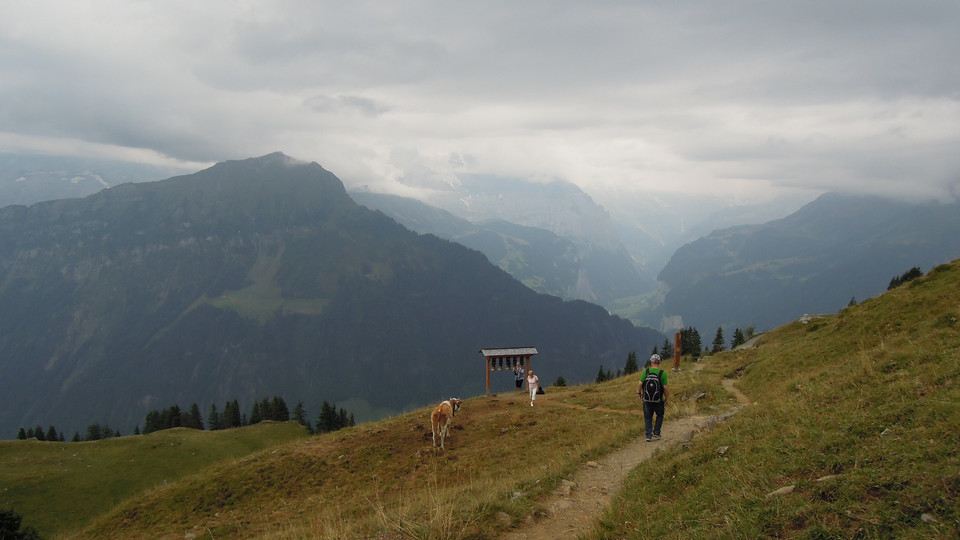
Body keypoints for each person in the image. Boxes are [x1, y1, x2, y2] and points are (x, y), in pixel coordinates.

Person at [637, 354, 669, 442]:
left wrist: (638, 392)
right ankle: (657, 432)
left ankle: (648, 436)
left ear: (651, 362)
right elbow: (665, 388)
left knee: (648, 417)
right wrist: (666, 399)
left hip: (647, 400)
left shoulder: (646, 371)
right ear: (659, 362)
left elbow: (640, 384)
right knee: (660, 415)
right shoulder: (663, 373)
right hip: (659, 400)